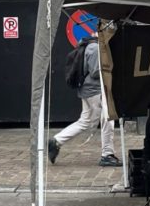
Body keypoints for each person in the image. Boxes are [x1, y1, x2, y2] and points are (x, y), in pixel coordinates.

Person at [47, 38, 120, 166]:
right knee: (108, 120)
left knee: (86, 121)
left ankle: (57, 141)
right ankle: (107, 155)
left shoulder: (89, 46)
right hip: (96, 90)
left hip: (89, 90)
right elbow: (96, 72)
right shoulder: (95, 48)